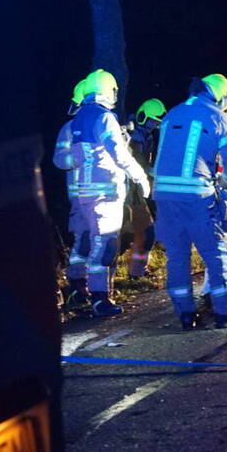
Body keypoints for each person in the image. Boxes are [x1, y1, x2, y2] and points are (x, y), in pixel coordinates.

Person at [153, 73, 227, 330]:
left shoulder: (172, 113)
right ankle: (226, 312)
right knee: (217, 251)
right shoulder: (217, 116)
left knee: (176, 256)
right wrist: (225, 184)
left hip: (163, 196)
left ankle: (185, 315)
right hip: (197, 197)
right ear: (222, 96)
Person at [68, 69, 151, 317]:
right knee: (103, 246)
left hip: (86, 191)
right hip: (105, 192)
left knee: (95, 243)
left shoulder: (80, 117)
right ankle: (100, 299)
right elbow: (118, 153)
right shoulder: (104, 117)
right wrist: (139, 176)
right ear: (107, 90)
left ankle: (90, 293)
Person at [53, 77, 91, 308]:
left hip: (105, 196)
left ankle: (100, 290)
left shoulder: (104, 123)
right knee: (84, 241)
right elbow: (59, 160)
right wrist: (80, 158)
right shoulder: (68, 129)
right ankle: (77, 286)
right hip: (80, 196)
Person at [124, 98, 166, 277]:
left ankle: (137, 272)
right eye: (153, 121)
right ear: (143, 117)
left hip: (138, 192)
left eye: (157, 123)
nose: (154, 126)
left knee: (147, 232)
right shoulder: (130, 133)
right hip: (125, 193)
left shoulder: (146, 135)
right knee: (118, 238)